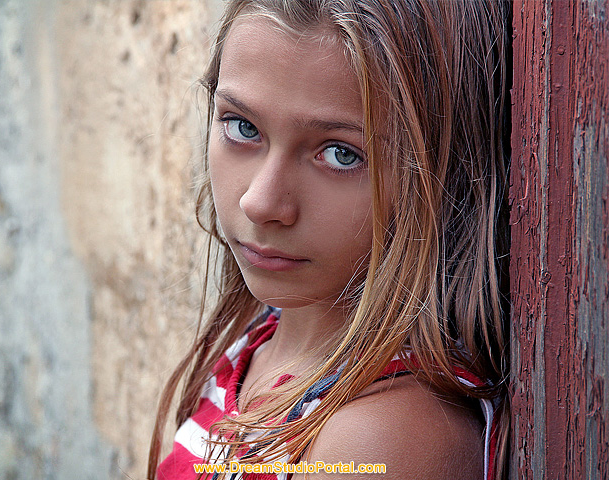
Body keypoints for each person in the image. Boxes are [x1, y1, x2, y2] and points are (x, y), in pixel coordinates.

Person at [149, 0, 510, 479]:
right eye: (243, 127)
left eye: (341, 154)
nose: (260, 202)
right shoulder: (254, 348)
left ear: (441, 173)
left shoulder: (384, 437)